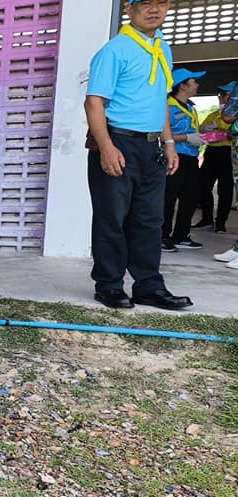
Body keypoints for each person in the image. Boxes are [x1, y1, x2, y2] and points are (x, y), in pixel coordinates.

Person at [83, 0, 191, 311]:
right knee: (112, 219)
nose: (154, 9)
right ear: (129, 10)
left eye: (161, 2)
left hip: (151, 147)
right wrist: (106, 146)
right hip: (119, 141)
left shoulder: (163, 48)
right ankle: (109, 285)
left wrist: (168, 142)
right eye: (145, 3)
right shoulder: (114, 50)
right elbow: (93, 102)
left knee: (150, 220)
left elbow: (160, 100)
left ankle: (149, 286)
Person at [161, 68, 205, 251]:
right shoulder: (168, 106)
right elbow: (161, 135)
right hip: (174, 156)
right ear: (182, 85)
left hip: (191, 157)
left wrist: (203, 135)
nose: (198, 85)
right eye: (194, 81)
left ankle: (181, 235)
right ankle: (162, 236)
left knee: (190, 197)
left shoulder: (191, 108)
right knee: (168, 197)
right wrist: (186, 137)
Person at [195, 82, 235, 233]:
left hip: (229, 153)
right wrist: (210, 131)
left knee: (225, 189)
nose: (222, 98)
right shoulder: (214, 115)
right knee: (203, 185)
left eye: (226, 95)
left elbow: (232, 134)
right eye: (221, 95)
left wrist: (221, 133)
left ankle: (220, 223)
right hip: (211, 152)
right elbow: (201, 130)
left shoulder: (233, 115)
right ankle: (206, 219)